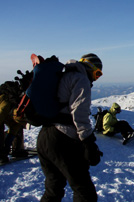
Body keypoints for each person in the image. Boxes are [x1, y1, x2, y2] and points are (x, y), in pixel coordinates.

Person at [37, 53, 103, 202]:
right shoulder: (81, 79)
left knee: (54, 189)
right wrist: (88, 142)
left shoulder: (63, 76)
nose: (96, 78)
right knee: (84, 192)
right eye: (97, 73)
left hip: (45, 136)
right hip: (62, 139)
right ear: (90, 67)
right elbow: (79, 112)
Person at [0, 81, 28, 164]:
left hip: (11, 114)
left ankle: (16, 150)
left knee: (16, 130)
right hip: (2, 109)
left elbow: (13, 130)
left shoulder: (18, 118)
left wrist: (7, 146)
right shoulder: (5, 106)